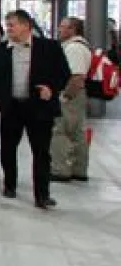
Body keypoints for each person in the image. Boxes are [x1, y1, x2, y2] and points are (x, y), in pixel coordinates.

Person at [0, 9, 71, 209]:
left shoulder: (49, 48)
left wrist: (51, 88)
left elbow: (65, 74)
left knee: (41, 152)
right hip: (11, 107)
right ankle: (10, 185)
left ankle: (42, 194)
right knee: (8, 148)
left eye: (12, 24)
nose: (8, 28)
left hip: (39, 107)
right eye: (8, 24)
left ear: (26, 26)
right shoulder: (0, 50)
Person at [50, 17, 91, 183]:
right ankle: (79, 168)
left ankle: (60, 169)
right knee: (77, 132)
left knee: (59, 130)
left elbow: (76, 77)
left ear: (72, 29)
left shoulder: (74, 48)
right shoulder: (82, 46)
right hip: (77, 95)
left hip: (71, 94)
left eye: (62, 27)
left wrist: (65, 96)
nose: (59, 29)